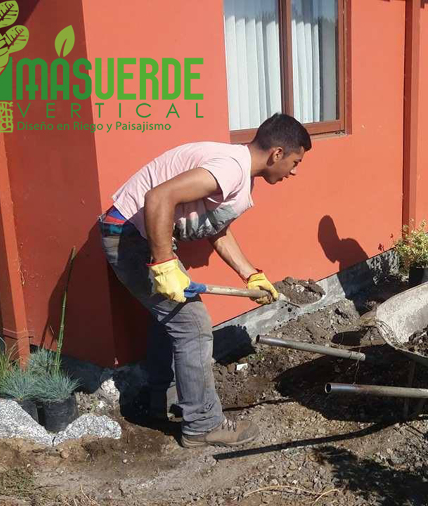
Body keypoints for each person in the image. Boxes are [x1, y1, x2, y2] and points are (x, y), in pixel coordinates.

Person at [99, 113, 310, 448]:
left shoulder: (237, 171)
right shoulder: (230, 167)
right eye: (295, 162)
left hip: (137, 234)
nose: (295, 172)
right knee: (193, 324)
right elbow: (159, 198)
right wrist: (164, 263)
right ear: (277, 154)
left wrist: (251, 274)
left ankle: (163, 400)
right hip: (129, 235)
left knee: (171, 318)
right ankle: (202, 424)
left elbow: (216, 230)